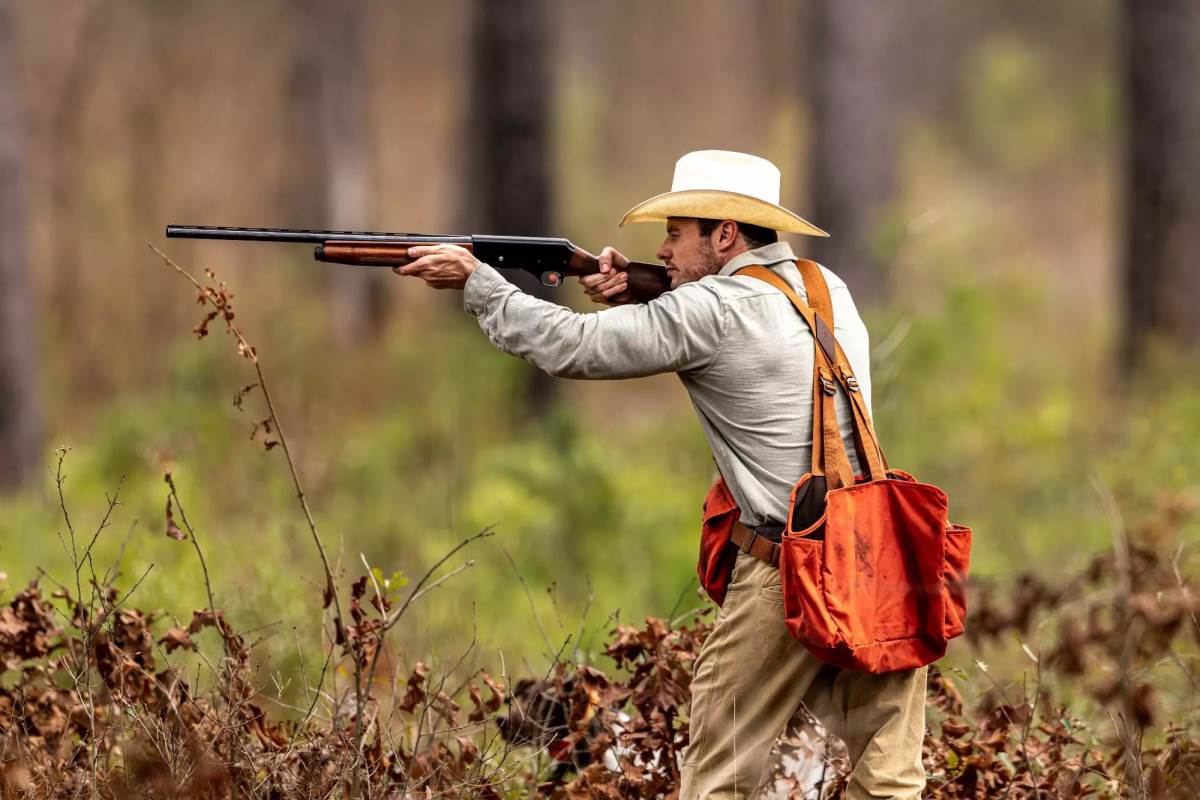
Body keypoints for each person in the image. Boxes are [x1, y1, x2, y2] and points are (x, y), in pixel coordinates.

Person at [394, 150, 926, 799]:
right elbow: (751, 311)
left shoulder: (710, 312)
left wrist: (478, 282)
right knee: (891, 782)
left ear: (724, 234)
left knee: (719, 783)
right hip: (882, 560)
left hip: (789, 571)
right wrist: (650, 287)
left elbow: (574, 346)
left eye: (675, 233)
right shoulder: (827, 288)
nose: (663, 248)